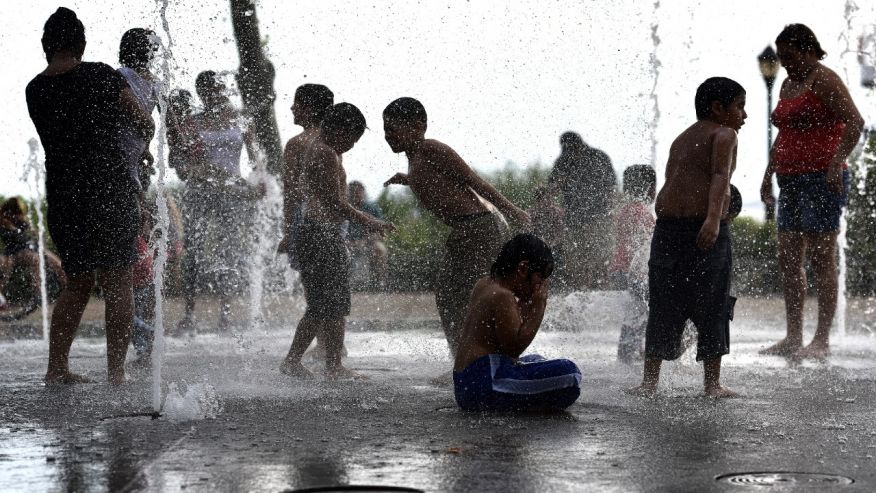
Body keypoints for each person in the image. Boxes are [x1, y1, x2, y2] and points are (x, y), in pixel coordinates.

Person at [26, 7, 154, 384]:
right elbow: (143, 120)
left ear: (46, 46)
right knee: (118, 280)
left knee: (78, 281)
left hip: (65, 194)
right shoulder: (102, 75)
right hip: (109, 188)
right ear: (81, 43)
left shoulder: (35, 88)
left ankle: (57, 368)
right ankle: (116, 373)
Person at [382, 97, 529, 359]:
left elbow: (474, 181)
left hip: (479, 229)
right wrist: (409, 180)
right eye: (385, 129)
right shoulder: (416, 158)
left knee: (473, 295)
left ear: (418, 126)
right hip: (466, 231)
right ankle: (464, 358)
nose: (388, 135)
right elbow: (438, 183)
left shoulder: (431, 148)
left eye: (394, 128)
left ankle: (482, 358)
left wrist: (512, 209)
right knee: (449, 295)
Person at [627, 77, 746, 399]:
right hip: (695, 228)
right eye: (740, 106)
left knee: (683, 303)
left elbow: (702, 178)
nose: (744, 115)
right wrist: (711, 220)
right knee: (690, 302)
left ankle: (663, 383)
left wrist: (711, 219)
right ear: (718, 107)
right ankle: (699, 385)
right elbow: (720, 176)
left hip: (674, 228)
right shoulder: (725, 133)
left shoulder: (683, 138)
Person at [759, 24, 865, 360]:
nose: (786, 63)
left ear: (807, 50)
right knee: (789, 259)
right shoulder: (788, 84)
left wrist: (836, 164)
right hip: (789, 179)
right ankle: (793, 337)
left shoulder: (825, 79)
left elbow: (855, 121)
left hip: (823, 178)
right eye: (783, 58)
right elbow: (785, 134)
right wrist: (767, 175)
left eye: (791, 56)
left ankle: (821, 340)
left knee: (822, 258)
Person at [279, 103, 393, 380]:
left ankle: (324, 363)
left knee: (328, 303)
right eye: (352, 140)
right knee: (329, 303)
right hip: (322, 234)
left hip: (314, 232)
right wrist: (370, 221)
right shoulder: (326, 154)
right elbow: (335, 202)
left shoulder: (315, 148)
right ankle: (319, 364)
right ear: (339, 130)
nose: (352, 146)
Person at [453, 233, 581, 412]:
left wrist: (525, 307)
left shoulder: (484, 284)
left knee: (536, 359)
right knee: (571, 374)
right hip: (485, 384)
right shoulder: (503, 296)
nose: (541, 285)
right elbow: (514, 348)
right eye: (540, 277)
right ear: (523, 269)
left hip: (466, 383)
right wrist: (539, 305)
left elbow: (503, 338)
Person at [176, 70, 260, 333]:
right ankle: (189, 316)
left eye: (220, 88)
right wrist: (200, 171)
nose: (217, 94)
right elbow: (183, 165)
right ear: (201, 93)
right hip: (200, 192)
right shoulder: (192, 122)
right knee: (194, 250)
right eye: (210, 90)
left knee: (231, 250)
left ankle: (225, 316)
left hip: (233, 194)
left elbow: (255, 156)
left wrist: (260, 180)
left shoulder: (240, 120)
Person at [548, 132, 617, 289]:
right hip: (573, 221)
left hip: (599, 218)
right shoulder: (563, 161)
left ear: (580, 145)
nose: (571, 155)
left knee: (601, 261)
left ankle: (601, 295)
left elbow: (611, 188)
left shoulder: (599, 157)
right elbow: (551, 190)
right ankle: (580, 296)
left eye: (573, 151)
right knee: (575, 265)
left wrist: (610, 212)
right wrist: (559, 182)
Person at [279, 83, 335, 270]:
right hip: (334, 219)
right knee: (333, 280)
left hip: (306, 221)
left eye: (297, 104)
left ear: (309, 109)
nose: (292, 108)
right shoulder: (333, 138)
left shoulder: (296, 144)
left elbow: (290, 191)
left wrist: (288, 233)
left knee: (312, 282)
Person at [609, 165, 656, 364]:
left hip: (620, 269)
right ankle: (629, 353)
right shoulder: (642, 213)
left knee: (636, 310)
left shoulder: (625, 210)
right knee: (640, 310)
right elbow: (642, 249)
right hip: (631, 272)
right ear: (651, 189)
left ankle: (630, 351)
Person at [0, 197, 66, 315]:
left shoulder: (23, 220)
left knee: (58, 264)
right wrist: (12, 228)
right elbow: (17, 239)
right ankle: (37, 293)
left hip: (30, 246)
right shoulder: (4, 221)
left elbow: (32, 236)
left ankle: (69, 292)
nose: (19, 216)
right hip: (15, 250)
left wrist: (35, 233)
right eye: (17, 213)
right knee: (35, 260)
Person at [117, 28, 160, 191]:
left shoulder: (121, 75)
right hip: (139, 148)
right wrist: (147, 147)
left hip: (122, 147)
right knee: (138, 199)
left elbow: (143, 120)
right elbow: (169, 122)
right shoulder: (157, 83)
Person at [347, 181, 388, 289]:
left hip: (368, 242)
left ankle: (380, 281)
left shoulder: (372, 208)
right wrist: (348, 242)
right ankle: (344, 282)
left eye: (358, 192)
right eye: (352, 192)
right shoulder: (345, 208)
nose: (355, 195)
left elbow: (380, 231)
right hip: (348, 243)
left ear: (363, 193)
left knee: (379, 249)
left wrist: (366, 240)